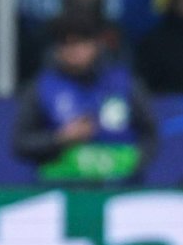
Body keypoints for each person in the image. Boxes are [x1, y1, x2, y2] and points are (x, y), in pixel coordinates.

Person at [14, 13, 157, 184]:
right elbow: (21, 143)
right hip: (60, 190)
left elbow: (151, 133)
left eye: (80, 42)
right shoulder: (42, 87)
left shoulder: (124, 84)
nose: (73, 50)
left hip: (119, 187)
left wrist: (136, 163)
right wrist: (59, 139)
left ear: (95, 45)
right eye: (65, 44)